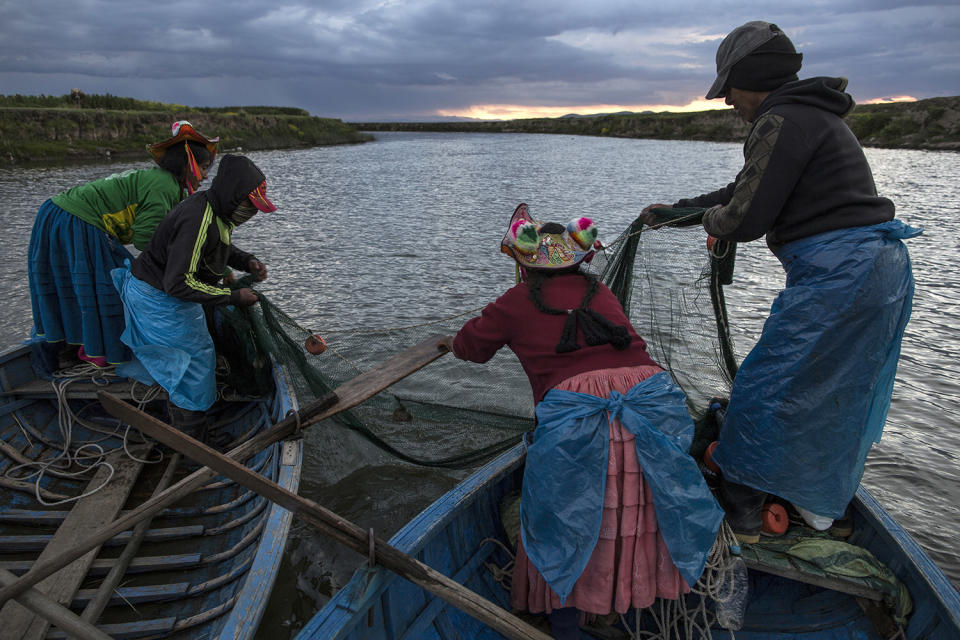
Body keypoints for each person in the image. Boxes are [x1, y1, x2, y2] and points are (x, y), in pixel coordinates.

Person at [641, 21, 919, 542]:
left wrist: (709, 223)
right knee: (834, 395)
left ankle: (743, 508)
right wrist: (678, 211)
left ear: (754, 77)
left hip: (842, 274)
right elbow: (745, 188)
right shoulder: (811, 115)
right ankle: (821, 510)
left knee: (766, 387)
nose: (727, 102)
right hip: (880, 269)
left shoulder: (780, 119)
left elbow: (744, 218)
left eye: (729, 89)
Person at [440, 204, 723, 639]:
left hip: (581, 415)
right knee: (638, 504)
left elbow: (470, 348)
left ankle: (566, 620)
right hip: (651, 404)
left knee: (560, 513)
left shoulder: (515, 301)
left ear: (525, 266)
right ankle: (619, 598)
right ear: (577, 261)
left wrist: (461, 334)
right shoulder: (600, 293)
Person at [28, 120, 219, 368]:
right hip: (77, 219)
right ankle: (94, 350)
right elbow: (145, 238)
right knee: (113, 288)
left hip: (56, 213)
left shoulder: (171, 187)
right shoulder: (163, 185)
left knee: (79, 288)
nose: (205, 176)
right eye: (203, 168)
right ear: (188, 165)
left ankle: (73, 349)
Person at [111, 154, 276, 438]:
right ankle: (194, 438)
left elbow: (216, 246)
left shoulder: (216, 210)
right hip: (158, 297)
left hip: (169, 295)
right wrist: (234, 297)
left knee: (195, 357)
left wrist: (246, 260)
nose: (252, 212)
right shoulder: (197, 217)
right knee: (193, 364)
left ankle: (187, 417)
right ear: (233, 194)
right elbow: (178, 283)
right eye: (249, 205)